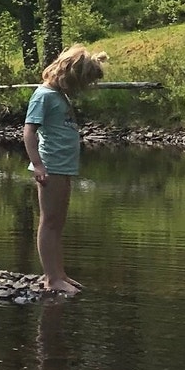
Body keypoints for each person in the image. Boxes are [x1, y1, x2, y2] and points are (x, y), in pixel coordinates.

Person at [23, 45, 107, 294]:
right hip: (51, 167)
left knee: (58, 222)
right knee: (49, 222)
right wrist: (38, 165)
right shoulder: (43, 95)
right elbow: (29, 131)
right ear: (70, 75)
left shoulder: (59, 95)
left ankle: (59, 273)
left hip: (64, 167)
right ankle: (51, 278)